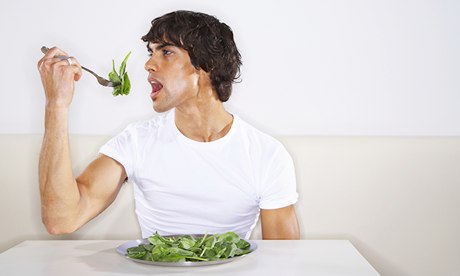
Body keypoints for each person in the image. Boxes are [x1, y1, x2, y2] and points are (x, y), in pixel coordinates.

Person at [37, 10, 300, 240]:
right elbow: (62, 219)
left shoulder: (266, 154)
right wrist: (56, 106)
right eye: (151, 53)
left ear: (206, 66)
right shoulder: (136, 142)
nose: (148, 64)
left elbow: (283, 261)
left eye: (166, 52)